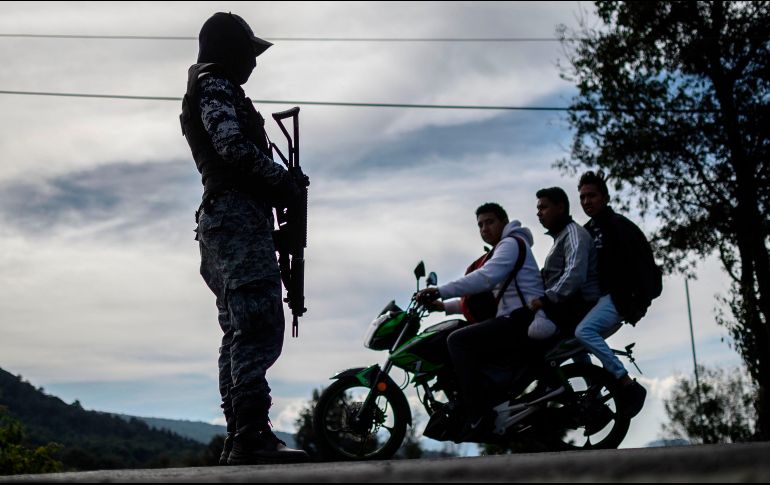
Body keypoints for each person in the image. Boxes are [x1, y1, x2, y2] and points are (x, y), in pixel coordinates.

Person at [180, 12, 309, 465]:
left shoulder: (212, 86)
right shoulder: (215, 85)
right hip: (235, 218)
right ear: (229, 51)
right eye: (248, 53)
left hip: (225, 220)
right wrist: (282, 181)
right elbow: (232, 148)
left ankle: (241, 434)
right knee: (256, 323)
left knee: (237, 329)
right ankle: (250, 434)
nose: (253, 63)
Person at [416, 203, 556, 439]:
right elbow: (488, 295)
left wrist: (440, 290)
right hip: (514, 318)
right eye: (480, 225)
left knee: (457, 341)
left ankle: (478, 414)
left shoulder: (510, 244)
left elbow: (485, 278)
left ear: (504, 222)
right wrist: (444, 306)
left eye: (490, 222)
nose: (484, 228)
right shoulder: (506, 247)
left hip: (523, 319)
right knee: (462, 333)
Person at [575, 171, 651, 417]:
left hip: (621, 298)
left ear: (605, 198)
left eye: (592, 196)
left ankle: (626, 384)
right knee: (571, 342)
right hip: (599, 299)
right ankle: (594, 399)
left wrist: (640, 301)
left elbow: (645, 264)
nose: (587, 201)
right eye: (582, 197)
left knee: (584, 332)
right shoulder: (587, 230)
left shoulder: (620, 226)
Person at [529, 187, 600, 335]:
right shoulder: (561, 236)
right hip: (564, 304)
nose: (539, 213)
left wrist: (546, 299)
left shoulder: (574, 234)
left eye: (543, 207)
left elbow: (575, 273)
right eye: (538, 209)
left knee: (521, 324)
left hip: (577, 306)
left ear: (560, 208)